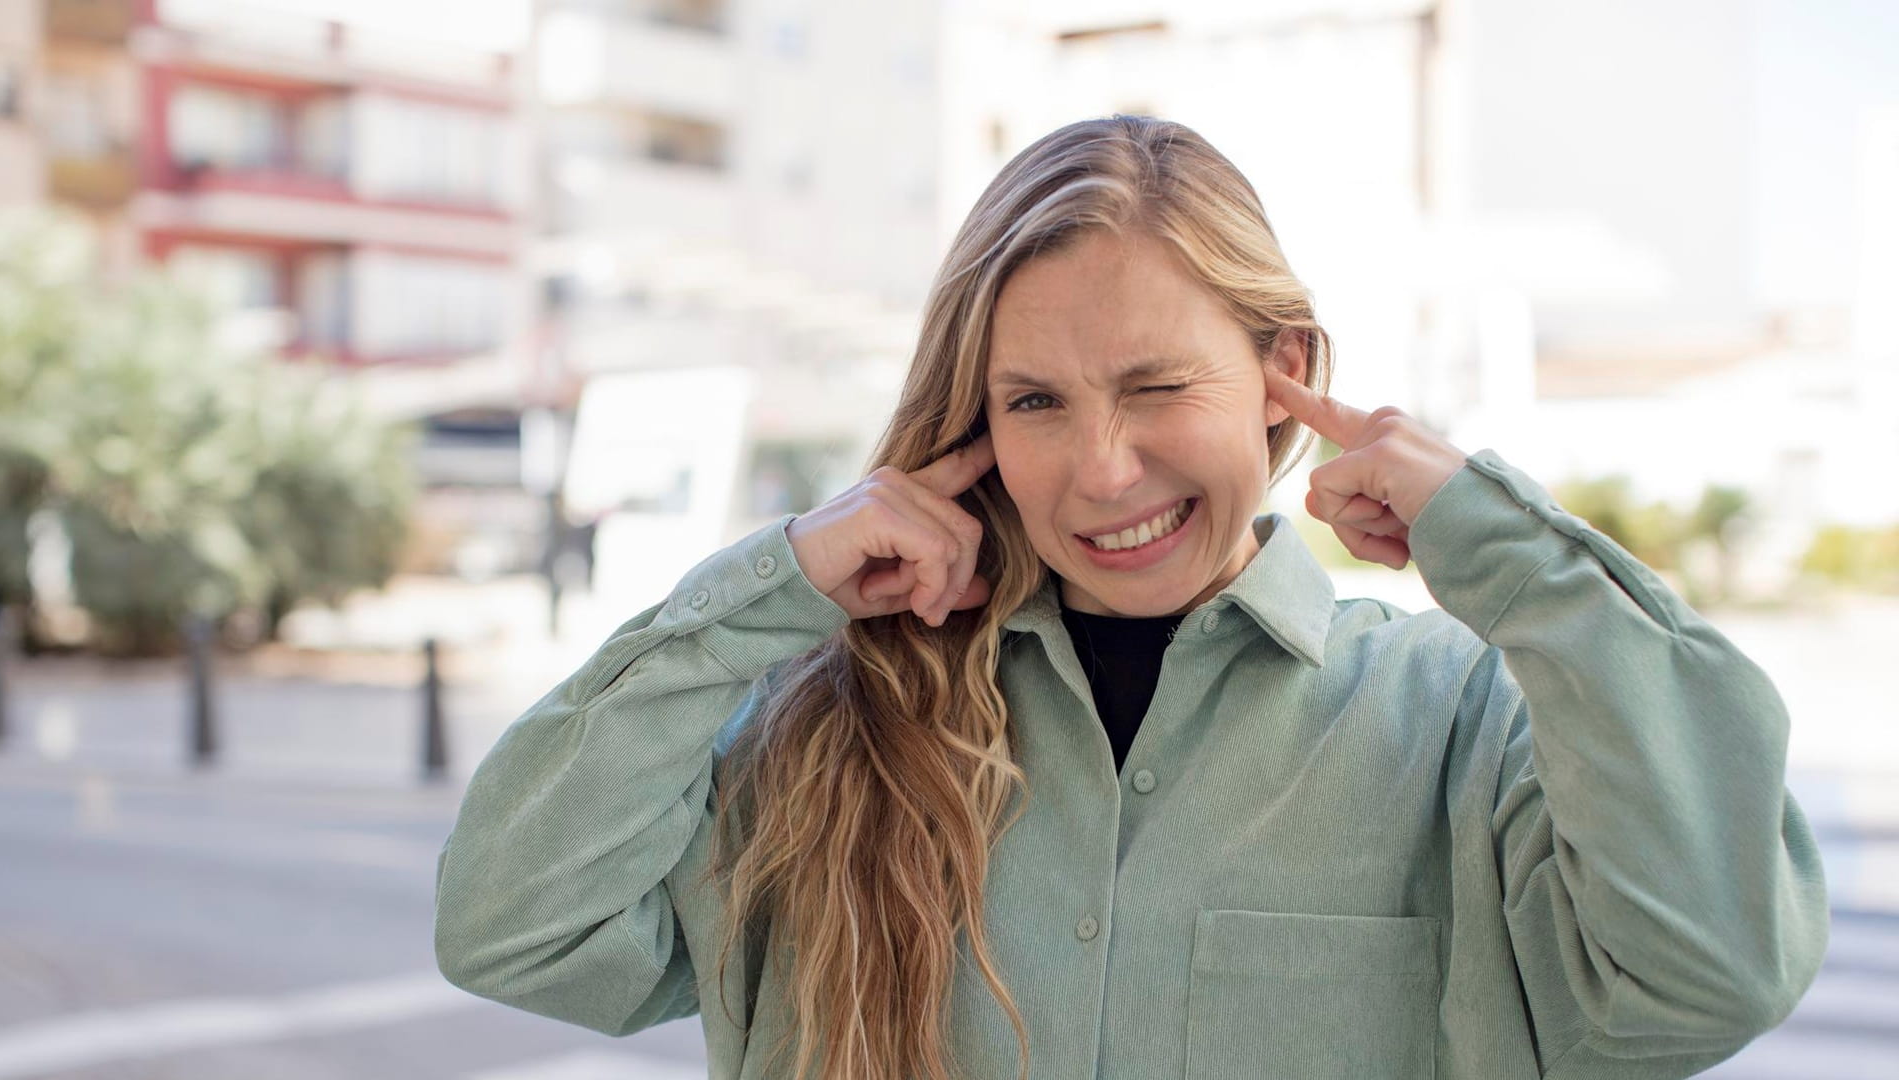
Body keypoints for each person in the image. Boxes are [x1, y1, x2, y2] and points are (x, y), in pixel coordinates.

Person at [432, 116, 1829, 1080]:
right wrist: (770, 590)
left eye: (1158, 386)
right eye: (1035, 401)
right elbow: (515, 931)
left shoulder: (1460, 725)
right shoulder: (830, 728)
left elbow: (1708, 978)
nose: (1104, 470)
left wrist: (1508, 550)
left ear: (1287, 371)